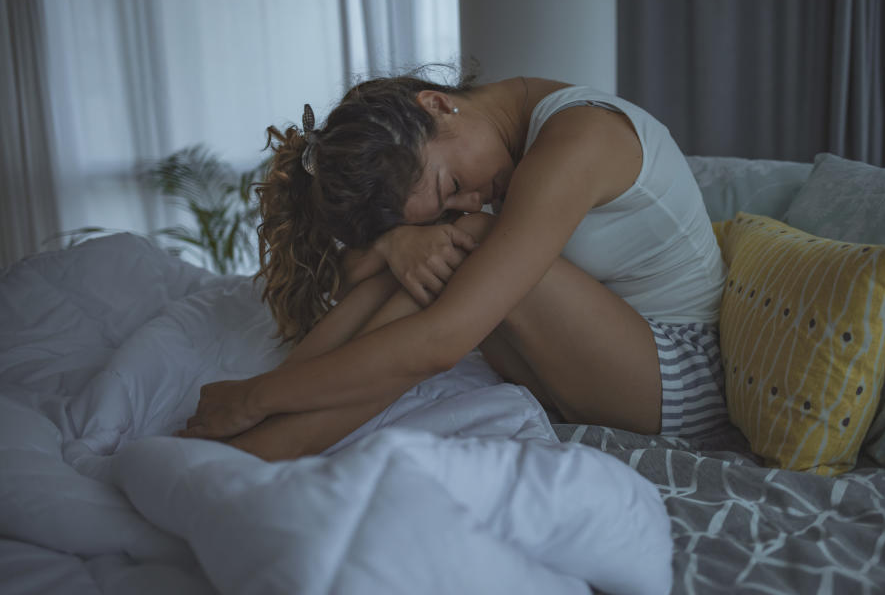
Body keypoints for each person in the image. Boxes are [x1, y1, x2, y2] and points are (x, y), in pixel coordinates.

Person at [176, 72, 729, 460]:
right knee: (437, 257)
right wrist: (397, 244)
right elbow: (350, 280)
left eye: (453, 187)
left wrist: (255, 399)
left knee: (466, 244)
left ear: (437, 104)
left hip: (676, 380)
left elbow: (443, 342)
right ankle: (265, 425)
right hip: (581, 367)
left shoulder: (577, 141)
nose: (465, 202)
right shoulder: (487, 140)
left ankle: (266, 428)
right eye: (447, 200)